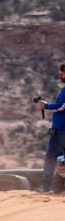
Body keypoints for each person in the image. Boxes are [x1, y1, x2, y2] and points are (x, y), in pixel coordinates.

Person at [35, 62, 65, 193]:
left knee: (51, 157)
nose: (60, 75)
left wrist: (45, 106)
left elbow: (61, 106)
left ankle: (46, 187)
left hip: (60, 130)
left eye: (62, 73)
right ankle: (58, 188)